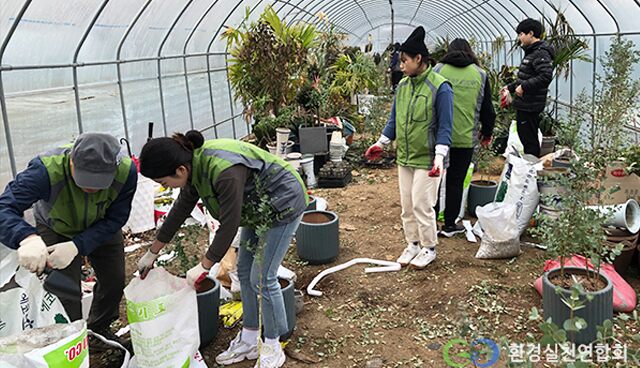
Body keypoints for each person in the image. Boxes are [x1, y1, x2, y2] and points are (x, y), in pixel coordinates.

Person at [136, 131, 307, 368]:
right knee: (246, 271)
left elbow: (228, 225)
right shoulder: (194, 166)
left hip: (283, 202)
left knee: (262, 276)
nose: (165, 187)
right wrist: (153, 251)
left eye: (164, 182)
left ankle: (273, 343)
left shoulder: (223, 170)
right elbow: (181, 209)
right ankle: (249, 337)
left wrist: (205, 265)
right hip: (257, 207)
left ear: (180, 171)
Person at [0, 132, 137, 347]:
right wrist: (27, 238)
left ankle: (99, 329)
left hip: (102, 225)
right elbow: (4, 207)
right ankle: (72, 340)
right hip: (56, 226)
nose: (91, 188)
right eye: (84, 178)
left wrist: (77, 246)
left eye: (99, 182)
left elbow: (117, 217)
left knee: (114, 280)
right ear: (71, 160)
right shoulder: (45, 170)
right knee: (64, 290)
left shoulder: (126, 172)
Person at [365, 26, 453, 269]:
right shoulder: (403, 86)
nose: (400, 65)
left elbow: (446, 126)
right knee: (406, 205)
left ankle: (429, 247)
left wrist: (439, 157)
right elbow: (395, 120)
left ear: (419, 59)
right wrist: (381, 143)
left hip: (428, 159)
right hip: (405, 157)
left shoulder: (440, 87)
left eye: (404, 60)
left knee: (421, 204)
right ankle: (412, 244)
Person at [433, 38, 496, 237]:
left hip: (438, 138)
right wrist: (486, 132)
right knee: (456, 181)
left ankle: (431, 223)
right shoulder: (480, 74)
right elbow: (488, 110)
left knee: (434, 179)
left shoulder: (438, 70)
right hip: (465, 138)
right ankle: (450, 224)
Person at [502, 18, 555, 157]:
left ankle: (531, 171)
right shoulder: (532, 53)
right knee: (526, 137)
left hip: (530, 105)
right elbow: (525, 77)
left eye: (521, 34)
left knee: (529, 140)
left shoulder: (540, 53)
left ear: (531, 33)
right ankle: (529, 167)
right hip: (525, 104)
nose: (519, 38)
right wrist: (510, 87)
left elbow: (545, 76)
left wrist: (524, 87)